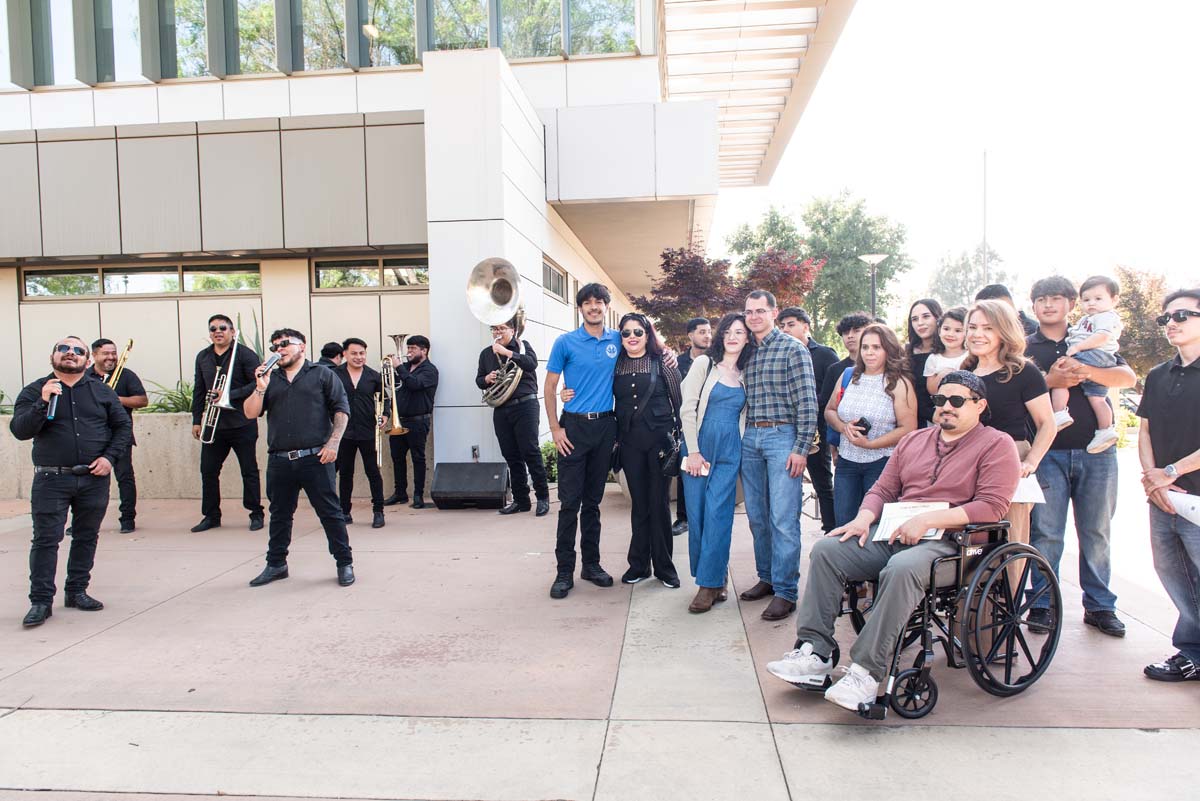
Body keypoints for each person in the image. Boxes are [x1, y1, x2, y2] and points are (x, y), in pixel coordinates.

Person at [765, 371, 1020, 711]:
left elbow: (991, 506)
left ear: (980, 405)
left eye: (957, 401)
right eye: (941, 400)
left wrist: (928, 519)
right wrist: (862, 519)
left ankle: (867, 673)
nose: (946, 407)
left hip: (954, 544)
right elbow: (884, 490)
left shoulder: (997, 444)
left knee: (901, 568)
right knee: (828, 549)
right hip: (899, 532)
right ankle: (815, 653)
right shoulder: (914, 441)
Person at [1025, 276, 1135, 638]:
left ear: (1071, 303)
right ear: (1033, 305)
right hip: (1047, 453)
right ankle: (1041, 603)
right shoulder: (1027, 347)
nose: (1048, 305)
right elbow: (1017, 385)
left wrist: (1084, 371)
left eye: (1056, 298)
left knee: (1096, 532)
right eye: (1041, 299)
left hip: (1096, 450)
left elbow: (1125, 376)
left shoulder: (1090, 333)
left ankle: (1100, 606)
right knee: (1046, 533)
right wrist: (1053, 379)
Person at [11, 337, 132, 627]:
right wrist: (42, 401)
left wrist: (109, 459)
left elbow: (122, 427)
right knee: (46, 540)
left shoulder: (102, 392)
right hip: (51, 478)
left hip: (93, 478)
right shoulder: (35, 390)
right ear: (52, 356)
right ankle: (40, 601)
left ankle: (77, 591)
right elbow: (20, 430)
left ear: (87, 360)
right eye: (63, 348)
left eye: (78, 350)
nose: (70, 353)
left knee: (86, 536)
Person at [243, 329, 355, 588]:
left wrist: (334, 443)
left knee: (330, 513)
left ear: (302, 346)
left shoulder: (322, 374)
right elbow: (250, 413)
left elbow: (341, 409)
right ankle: (276, 564)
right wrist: (259, 388)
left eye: (284, 344)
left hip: (315, 457)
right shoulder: (270, 379)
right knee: (280, 514)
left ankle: (344, 562)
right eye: (274, 347)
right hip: (280, 460)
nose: (278, 349)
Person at [738, 289, 819, 621]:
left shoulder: (793, 349)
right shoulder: (745, 352)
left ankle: (786, 591)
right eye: (749, 312)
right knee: (757, 515)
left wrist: (800, 449)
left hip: (782, 437)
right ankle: (767, 577)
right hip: (750, 437)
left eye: (760, 310)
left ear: (774, 313)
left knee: (783, 518)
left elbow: (808, 403)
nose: (754, 316)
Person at [1137, 288, 1200, 682]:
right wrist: (1153, 480)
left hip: (1193, 493)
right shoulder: (1158, 375)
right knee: (1172, 572)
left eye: (1182, 316)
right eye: (1166, 319)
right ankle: (1191, 652)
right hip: (1163, 498)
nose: (1171, 324)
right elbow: (1144, 431)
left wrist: (1171, 473)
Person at [543, 283, 621, 600]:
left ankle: (591, 565)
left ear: (605, 307)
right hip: (573, 429)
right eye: (587, 302)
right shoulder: (566, 342)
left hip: (605, 428)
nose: (593, 306)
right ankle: (564, 573)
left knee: (593, 504)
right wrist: (555, 429)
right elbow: (550, 388)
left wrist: (670, 357)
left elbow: (648, 350)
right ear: (580, 309)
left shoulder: (618, 339)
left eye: (599, 302)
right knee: (569, 505)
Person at [962, 300, 1056, 553]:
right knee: (971, 543)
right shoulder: (965, 370)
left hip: (1011, 458)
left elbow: (1047, 423)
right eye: (972, 327)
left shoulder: (1024, 371)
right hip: (966, 461)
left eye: (988, 328)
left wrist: (1031, 462)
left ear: (1003, 330)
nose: (977, 334)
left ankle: (1009, 594)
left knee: (1009, 541)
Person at [681, 313, 750, 612]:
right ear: (721, 336)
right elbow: (687, 409)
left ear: (748, 338)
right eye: (729, 332)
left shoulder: (748, 372)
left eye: (740, 332)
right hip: (700, 446)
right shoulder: (704, 364)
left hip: (730, 449)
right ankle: (715, 575)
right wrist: (693, 451)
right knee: (697, 516)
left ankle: (707, 586)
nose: (733, 337)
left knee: (719, 515)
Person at [612, 313, 682, 587]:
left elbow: (679, 401)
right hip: (629, 444)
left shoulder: (663, 362)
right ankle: (639, 565)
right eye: (626, 332)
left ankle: (665, 568)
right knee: (639, 505)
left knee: (659, 503)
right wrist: (566, 393)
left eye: (638, 332)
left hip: (659, 443)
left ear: (647, 334)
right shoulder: (615, 364)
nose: (632, 337)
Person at [825, 324, 917, 527]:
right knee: (843, 522)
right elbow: (830, 410)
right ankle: (844, 560)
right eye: (865, 347)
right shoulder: (849, 376)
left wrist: (871, 444)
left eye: (876, 347)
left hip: (882, 464)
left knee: (874, 525)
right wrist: (843, 427)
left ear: (889, 349)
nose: (869, 353)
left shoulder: (898, 383)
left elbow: (908, 428)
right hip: (846, 462)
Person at [190, 315, 265, 533]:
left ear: (232, 331)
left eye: (223, 328)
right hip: (215, 424)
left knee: (248, 470)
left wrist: (228, 395)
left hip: (242, 422)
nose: (218, 331)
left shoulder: (244, 354)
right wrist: (197, 419)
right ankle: (211, 515)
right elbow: (199, 389)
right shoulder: (203, 357)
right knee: (208, 471)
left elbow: (257, 383)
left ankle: (255, 513)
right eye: (213, 328)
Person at [476, 315, 550, 517]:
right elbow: (478, 380)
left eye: (501, 328)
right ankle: (521, 500)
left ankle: (543, 498)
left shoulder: (523, 346)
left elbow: (531, 363)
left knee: (530, 452)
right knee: (511, 456)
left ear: (512, 330)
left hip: (525, 405)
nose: (497, 332)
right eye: (494, 329)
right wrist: (487, 379)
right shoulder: (485, 354)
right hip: (501, 408)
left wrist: (507, 352)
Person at [779, 307, 839, 532]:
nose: (785, 329)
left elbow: (832, 394)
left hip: (817, 428)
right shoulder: (780, 353)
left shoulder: (824, 354)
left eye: (791, 324)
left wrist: (806, 402)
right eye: (782, 325)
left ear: (806, 326)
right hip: (784, 428)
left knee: (821, 480)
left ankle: (830, 527)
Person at [1048, 275, 1123, 453]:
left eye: (1098, 299)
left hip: (1095, 354)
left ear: (1114, 299)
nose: (1091, 303)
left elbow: (1102, 336)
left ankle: (1058, 413)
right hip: (1100, 358)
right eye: (1087, 300)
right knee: (1097, 397)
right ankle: (1105, 430)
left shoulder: (1105, 317)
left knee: (1061, 375)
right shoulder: (1088, 319)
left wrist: (1077, 348)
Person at [88, 338, 147, 533]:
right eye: (106, 353)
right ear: (94, 355)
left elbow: (142, 400)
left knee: (125, 477)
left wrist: (114, 398)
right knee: (85, 482)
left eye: (113, 353)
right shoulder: (85, 376)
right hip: (92, 437)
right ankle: (83, 521)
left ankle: (127, 519)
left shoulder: (126, 375)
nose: (111, 357)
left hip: (119, 436)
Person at [332, 338, 385, 529]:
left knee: (373, 472)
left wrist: (385, 415)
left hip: (368, 431)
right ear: (344, 354)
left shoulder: (373, 376)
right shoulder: (334, 375)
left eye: (362, 353)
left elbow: (385, 400)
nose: (359, 357)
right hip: (344, 432)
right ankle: (344, 511)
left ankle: (378, 511)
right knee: (346, 473)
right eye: (354, 353)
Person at [383, 335, 438, 510]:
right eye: (408, 348)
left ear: (424, 350)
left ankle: (418, 495)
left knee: (418, 458)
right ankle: (400, 493)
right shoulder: (404, 367)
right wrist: (391, 370)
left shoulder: (430, 370)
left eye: (413, 348)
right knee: (397, 458)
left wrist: (399, 367)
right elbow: (388, 385)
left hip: (418, 421)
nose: (409, 351)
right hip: (399, 421)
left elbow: (414, 384)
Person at [672, 317, 713, 536]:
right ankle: (684, 517)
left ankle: (707, 514)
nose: (707, 335)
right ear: (690, 335)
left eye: (709, 331)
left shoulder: (717, 361)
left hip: (710, 424)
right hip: (684, 423)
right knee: (685, 469)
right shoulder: (677, 363)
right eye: (701, 332)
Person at [819, 312, 872, 460]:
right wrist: (833, 443)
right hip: (844, 443)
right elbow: (827, 408)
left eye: (856, 330)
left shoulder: (884, 367)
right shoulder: (835, 369)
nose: (850, 336)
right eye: (845, 332)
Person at [904, 299, 944, 428]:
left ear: (937, 317)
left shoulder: (950, 351)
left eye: (926, 316)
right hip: (913, 422)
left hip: (943, 420)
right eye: (914, 319)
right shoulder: (906, 353)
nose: (920, 323)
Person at [922, 307, 968, 397]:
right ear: (939, 331)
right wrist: (942, 375)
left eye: (958, 330)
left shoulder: (970, 356)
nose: (950, 334)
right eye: (946, 329)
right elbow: (932, 391)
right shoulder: (934, 358)